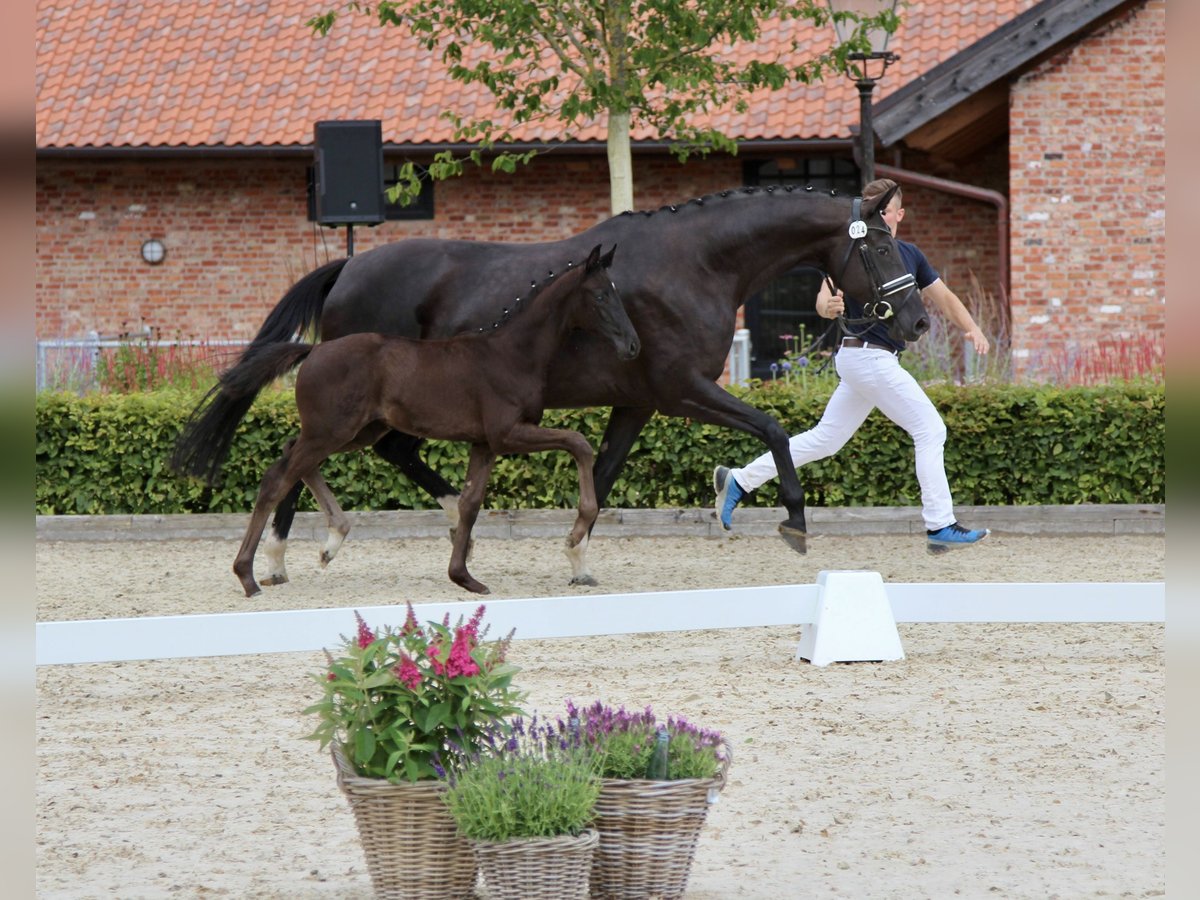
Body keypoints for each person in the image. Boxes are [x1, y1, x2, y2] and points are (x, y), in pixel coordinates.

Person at [713, 178, 992, 551]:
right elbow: (825, 298)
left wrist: (972, 327)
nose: (879, 216)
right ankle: (940, 525)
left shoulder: (910, 254)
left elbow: (943, 297)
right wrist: (827, 307)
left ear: (899, 215)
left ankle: (739, 480)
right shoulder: (853, 250)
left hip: (867, 360)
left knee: (825, 440)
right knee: (930, 431)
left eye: (885, 210)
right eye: (872, 209)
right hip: (867, 355)